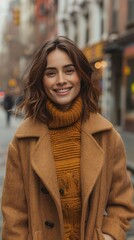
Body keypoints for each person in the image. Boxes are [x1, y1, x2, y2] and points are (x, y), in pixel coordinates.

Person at [1, 36, 134, 240]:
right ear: (41, 80)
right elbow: (14, 215)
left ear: (80, 75)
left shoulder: (107, 136)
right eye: (51, 73)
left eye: (69, 70)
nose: (61, 80)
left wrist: (109, 235)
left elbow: (122, 201)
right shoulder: (22, 141)